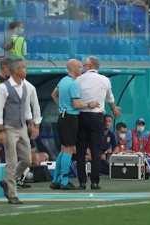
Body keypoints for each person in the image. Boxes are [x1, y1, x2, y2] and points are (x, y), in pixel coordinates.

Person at [0, 58, 41, 204]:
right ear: (15, 70)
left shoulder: (26, 87)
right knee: (11, 160)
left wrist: (31, 123)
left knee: (27, 159)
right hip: (8, 128)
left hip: (21, 127)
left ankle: (8, 181)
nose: (25, 70)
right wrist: (0, 130)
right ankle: (12, 194)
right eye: (23, 68)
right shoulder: (2, 88)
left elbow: (26, 109)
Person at [50, 59, 99, 190]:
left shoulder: (63, 80)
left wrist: (62, 107)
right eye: (79, 67)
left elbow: (54, 94)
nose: (82, 69)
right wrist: (90, 104)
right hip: (70, 118)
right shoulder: (73, 84)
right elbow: (76, 104)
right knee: (69, 149)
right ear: (73, 69)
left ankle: (56, 179)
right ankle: (64, 180)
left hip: (62, 116)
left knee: (64, 148)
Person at [76, 56, 121, 190]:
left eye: (84, 65)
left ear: (89, 65)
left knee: (81, 151)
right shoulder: (105, 80)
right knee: (96, 151)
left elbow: (75, 99)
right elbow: (110, 98)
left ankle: (82, 182)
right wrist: (114, 109)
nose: (82, 67)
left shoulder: (78, 79)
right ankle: (95, 181)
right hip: (97, 117)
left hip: (82, 115)